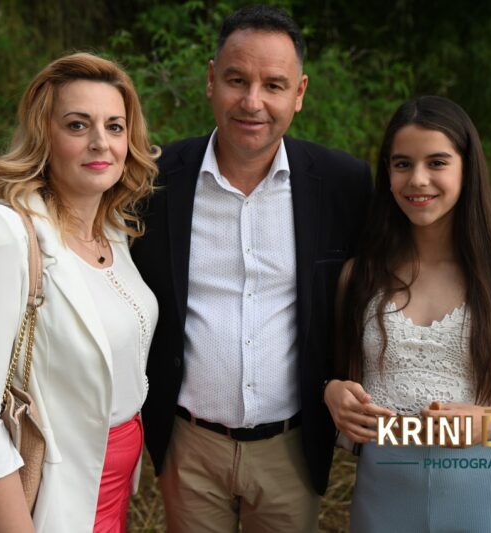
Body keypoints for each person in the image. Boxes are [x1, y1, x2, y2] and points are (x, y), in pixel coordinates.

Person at [130, 5, 371, 532]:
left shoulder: (343, 184)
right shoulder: (151, 180)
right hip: (188, 445)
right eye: (237, 80)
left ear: (299, 93)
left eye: (273, 85)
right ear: (211, 80)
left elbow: (401, 270)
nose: (252, 102)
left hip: (291, 446)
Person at [324, 95, 491, 532]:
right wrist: (334, 393)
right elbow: (334, 377)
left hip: (481, 501)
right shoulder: (358, 277)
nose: (418, 179)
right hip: (381, 500)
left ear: (467, 169)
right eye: (402, 164)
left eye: (437, 162)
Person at [0, 52, 159, 532]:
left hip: (109, 492)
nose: (100, 142)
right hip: (47, 502)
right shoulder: (1, 234)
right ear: (44, 135)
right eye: (78, 125)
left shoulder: (113, 231)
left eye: (115, 127)